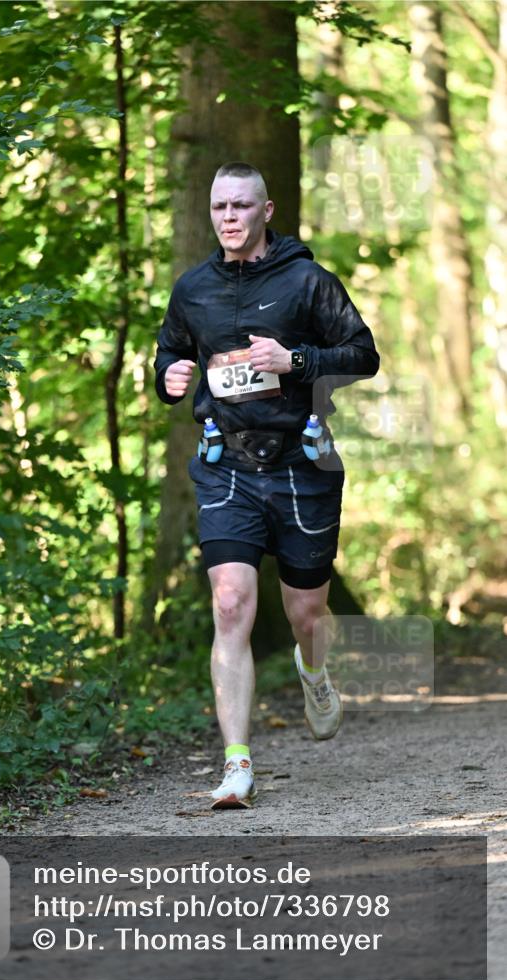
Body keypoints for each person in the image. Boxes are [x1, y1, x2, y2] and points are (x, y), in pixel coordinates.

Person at [154, 162, 379, 808]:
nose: (228, 218)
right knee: (230, 603)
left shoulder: (307, 281)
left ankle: (313, 669)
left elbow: (363, 354)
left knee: (305, 612)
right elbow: (169, 352)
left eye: (241, 206)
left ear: (267, 210)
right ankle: (236, 764)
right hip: (226, 464)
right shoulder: (192, 288)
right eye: (219, 206)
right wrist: (169, 375)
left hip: (301, 462)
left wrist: (296, 361)